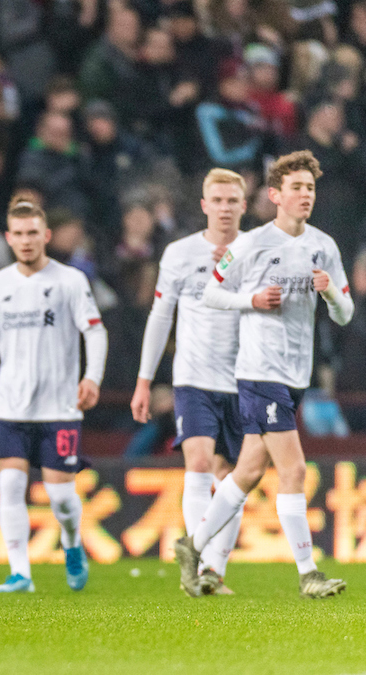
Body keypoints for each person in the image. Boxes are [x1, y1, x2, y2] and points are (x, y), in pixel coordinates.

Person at [175, 150, 353, 599]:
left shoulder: (323, 246)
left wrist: (330, 294)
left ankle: (191, 547)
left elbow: (346, 315)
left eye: (310, 188)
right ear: (275, 195)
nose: (304, 195)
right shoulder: (250, 244)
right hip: (258, 372)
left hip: (295, 375)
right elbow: (210, 293)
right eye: (295, 187)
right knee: (293, 470)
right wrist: (249, 302)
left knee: (249, 469)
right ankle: (309, 574)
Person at [0, 201, 108, 594]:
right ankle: (20, 573)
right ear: (9, 238)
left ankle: (72, 543)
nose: (26, 241)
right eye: (19, 234)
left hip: (59, 406)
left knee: (62, 498)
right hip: (11, 406)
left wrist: (92, 378)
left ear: (45, 236)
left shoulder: (70, 281)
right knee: (10, 486)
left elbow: (95, 331)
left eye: (34, 233)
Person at [131, 168, 249, 596]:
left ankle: (213, 570)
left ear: (244, 205)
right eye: (216, 200)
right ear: (204, 205)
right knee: (198, 463)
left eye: (231, 200)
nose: (224, 208)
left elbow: (277, 312)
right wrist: (144, 381)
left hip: (242, 380)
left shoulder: (258, 253)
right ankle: (197, 567)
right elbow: (161, 316)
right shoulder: (179, 254)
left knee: (232, 477)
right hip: (193, 377)